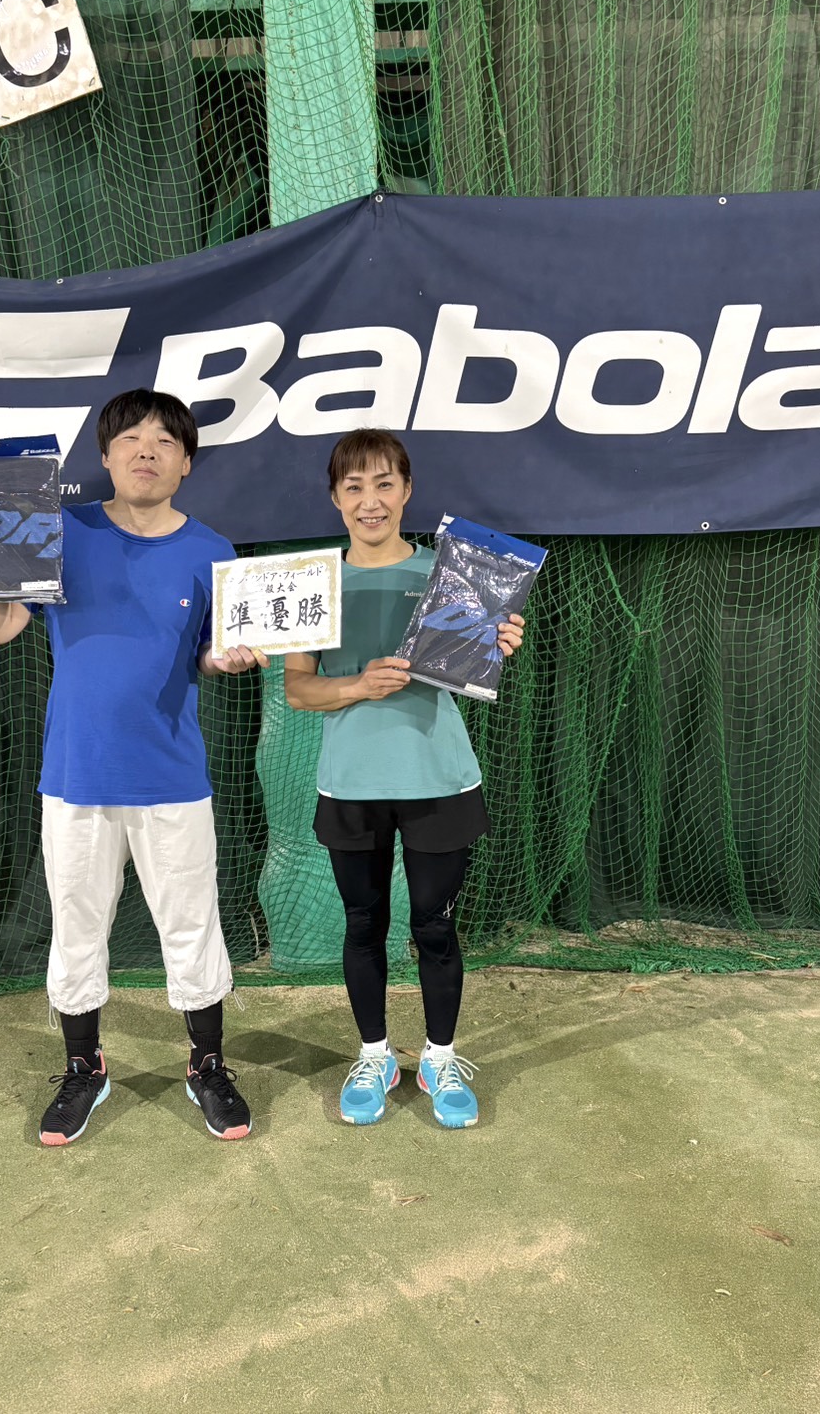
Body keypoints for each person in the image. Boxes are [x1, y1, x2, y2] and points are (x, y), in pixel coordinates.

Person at [0, 389, 266, 1146]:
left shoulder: (214, 551)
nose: (147, 449)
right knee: (77, 925)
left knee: (192, 925)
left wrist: (224, 659)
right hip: (76, 776)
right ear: (106, 455)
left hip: (173, 779)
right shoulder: (60, 531)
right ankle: (83, 1067)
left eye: (165, 440)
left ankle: (208, 1065)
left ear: (186, 463)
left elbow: (212, 653)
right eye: (130, 438)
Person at [284, 429, 524, 1130]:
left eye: (384, 483)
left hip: (439, 781)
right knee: (363, 925)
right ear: (335, 498)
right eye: (354, 486)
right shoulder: (312, 583)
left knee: (435, 927)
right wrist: (357, 685)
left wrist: (498, 643)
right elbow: (298, 689)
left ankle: (440, 1058)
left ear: (407, 490)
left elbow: (473, 668)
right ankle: (375, 1056)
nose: (371, 500)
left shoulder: (455, 578)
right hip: (351, 785)